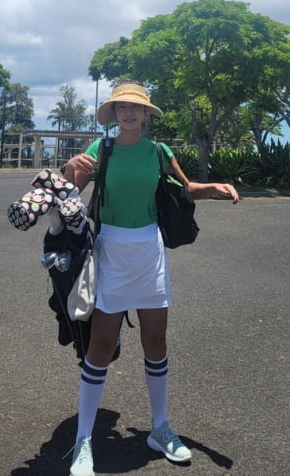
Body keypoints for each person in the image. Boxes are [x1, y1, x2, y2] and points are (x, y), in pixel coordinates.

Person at [62, 81, 239, 476]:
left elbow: (185, 189)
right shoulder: (102, 149)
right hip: (110, 251)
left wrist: (214, 188)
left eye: (135, 107)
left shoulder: (159, 152)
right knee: (100, 345)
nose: (129, 113)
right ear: (114, 113)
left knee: (156, 341)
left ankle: (159, 428)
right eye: (122, 107)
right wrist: (71, 169)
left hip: (149, 253)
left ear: (145, 113)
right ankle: (83, 439)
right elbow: (69, 195)